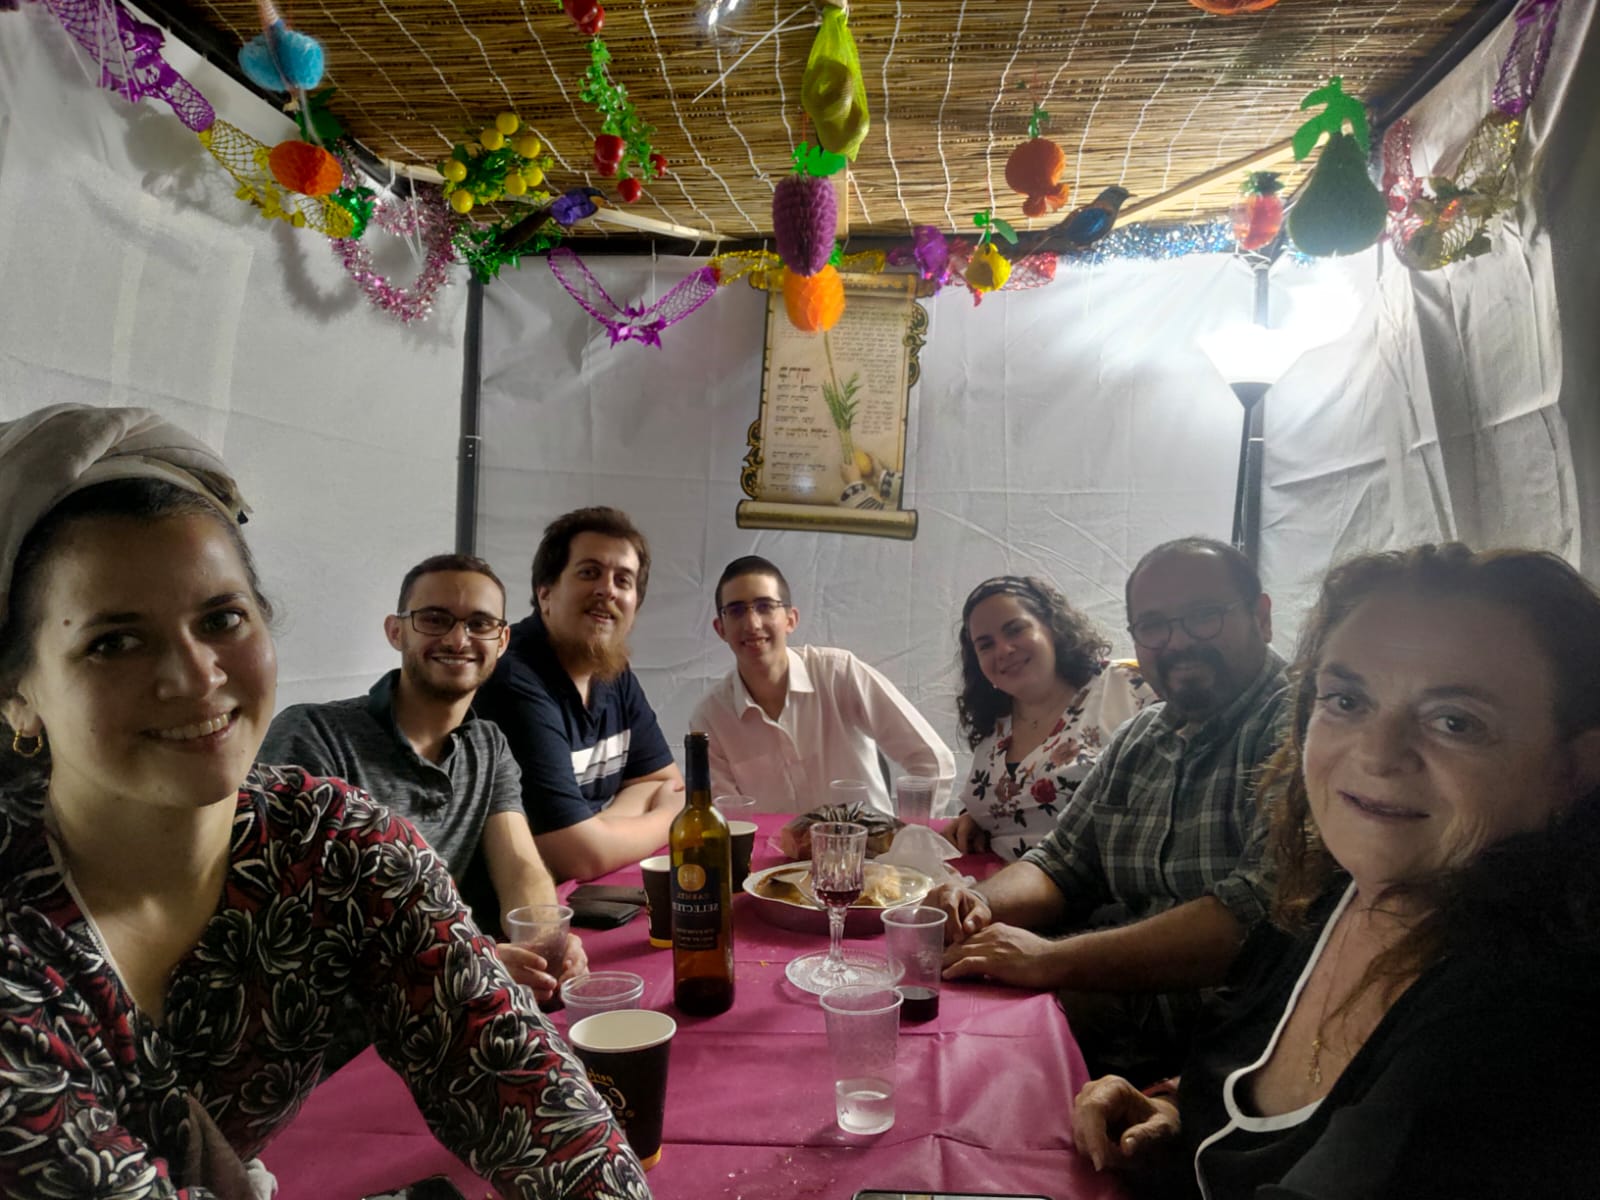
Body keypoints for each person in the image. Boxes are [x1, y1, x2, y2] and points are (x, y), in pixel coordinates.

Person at [0, 405, 647, 1200]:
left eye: (222, 619)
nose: (196, 675)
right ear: (16, 695)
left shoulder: (330, 843)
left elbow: (533, 1099)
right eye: (115, 641)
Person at [1071, 544, 1600, 1198]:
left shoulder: (1525, 1027)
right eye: (1347, 700)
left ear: (1576, 769)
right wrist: (1173, 1112)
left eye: (1455, 721)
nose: (1376, 754)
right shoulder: (1329, 895)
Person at [929, 537, 1289, 1082]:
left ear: (1261, 617)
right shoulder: (1144, 733)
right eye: (1154, 626)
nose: (1177, 642)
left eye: (1204, 616)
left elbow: (1257, 919)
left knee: (968, 1062)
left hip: (1229, 1053)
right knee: (924, 1012)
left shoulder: (1304, 728)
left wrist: (1048, 960)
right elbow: (1063, 862)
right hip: (1120, 1011)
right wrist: (977, 902)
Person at [260, 553, 584, 999]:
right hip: (339, 1022)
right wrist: (469, 960)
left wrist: (545, 941)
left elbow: (520, 866)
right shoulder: (314, 736)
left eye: (479, 623)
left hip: (452, 1001)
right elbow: (296, 922)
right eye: (434, 619)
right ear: (396, 631)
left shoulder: (488, 746)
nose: (458, 639)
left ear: (502, 640)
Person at [474, 507, 682, 881]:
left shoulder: (612, 669)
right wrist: (669, 818)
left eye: (623, 580)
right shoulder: (512, 679)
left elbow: (665, 783)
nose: (607, 590)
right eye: (589, 572)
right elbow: (577, 857)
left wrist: (597, 831)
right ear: (545, 594)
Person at [690, 554, 955, 816]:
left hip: (867, 842)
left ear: (791, 619)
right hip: (772, 846)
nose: (752, 624)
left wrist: (910, 836)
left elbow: (934, 761)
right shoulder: (710, 718)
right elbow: (725, 819)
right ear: (721, 629)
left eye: (765, 606)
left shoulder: (838, 674)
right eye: (736, 611)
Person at [952, 575, 1155, 859]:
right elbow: (1007, 801)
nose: (1004, 650)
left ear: (1052, 627)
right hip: (1000, 881)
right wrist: (975, 818)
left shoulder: (1128, 687)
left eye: (1015, 630)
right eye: (986, 645)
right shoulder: (996, 721)